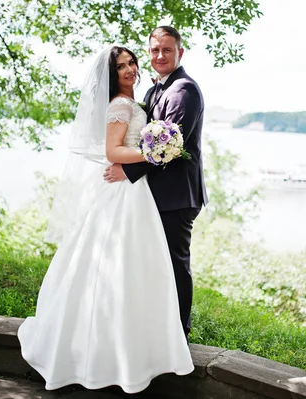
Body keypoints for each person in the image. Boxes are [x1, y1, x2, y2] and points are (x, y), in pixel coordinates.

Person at [17, 45, 194, 394]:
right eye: (120, 67)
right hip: (121, 196)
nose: (129, 70)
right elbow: (113, 151)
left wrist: (156, 150)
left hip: (135, 194)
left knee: (136, 271)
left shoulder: (137, 102)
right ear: (111, 75)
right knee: (109, 269)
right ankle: (99, 356)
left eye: (131, 63)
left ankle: (132, 351)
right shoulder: (119, 105)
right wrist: (157, 151)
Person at [104, 26, 208, 342]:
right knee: (154, 264)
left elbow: (170, 148)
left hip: (177, 195)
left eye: (166, 50)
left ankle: (179, 334)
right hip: (155, 194)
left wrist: (128, 172)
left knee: (175, 265)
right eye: (154, 50)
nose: (159, 56)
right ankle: (155, 332)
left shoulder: (183, 91)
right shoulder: (153, 91)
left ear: (180, 52)